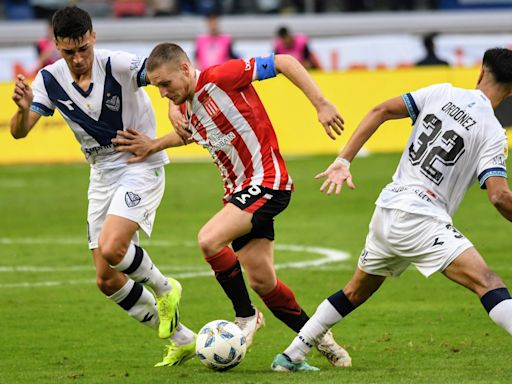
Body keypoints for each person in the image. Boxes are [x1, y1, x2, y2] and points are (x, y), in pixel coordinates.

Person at [271, 47, 512, 372]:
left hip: (388, 208)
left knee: (355, 291)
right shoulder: (493, 133)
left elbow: (380, 109)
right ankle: (292, 355)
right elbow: (499, 197)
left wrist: (343, 160)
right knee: (487, 281)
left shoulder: (441, 91)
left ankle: (291, 355)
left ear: (481, 71)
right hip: (422, 218)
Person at [112, 43, 352, 368]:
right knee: (262, 281)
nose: (163, 94)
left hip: (267, 181)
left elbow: (283, 61)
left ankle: (246, 316)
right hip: (241, 194)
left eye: (166, 85)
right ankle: (320, 340)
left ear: (185, 69)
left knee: (209, 239)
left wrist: (321, 103)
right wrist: (155, 143)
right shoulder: (186, 110)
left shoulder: (223, 77)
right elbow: (189, 134)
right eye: (157, 88)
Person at [10, 6, 194, 368]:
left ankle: (164, 288)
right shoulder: (48, 80)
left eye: (83, 49)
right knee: (107, 279)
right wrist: (22, 109)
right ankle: (182, 337)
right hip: (100, 173)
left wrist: (174, 109)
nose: (78, 59)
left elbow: (160, 75)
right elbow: (19, 132)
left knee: (112, 247)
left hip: (139, 161)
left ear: (93, 37)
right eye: (69, 52)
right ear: (56, 46)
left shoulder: (120, 65)